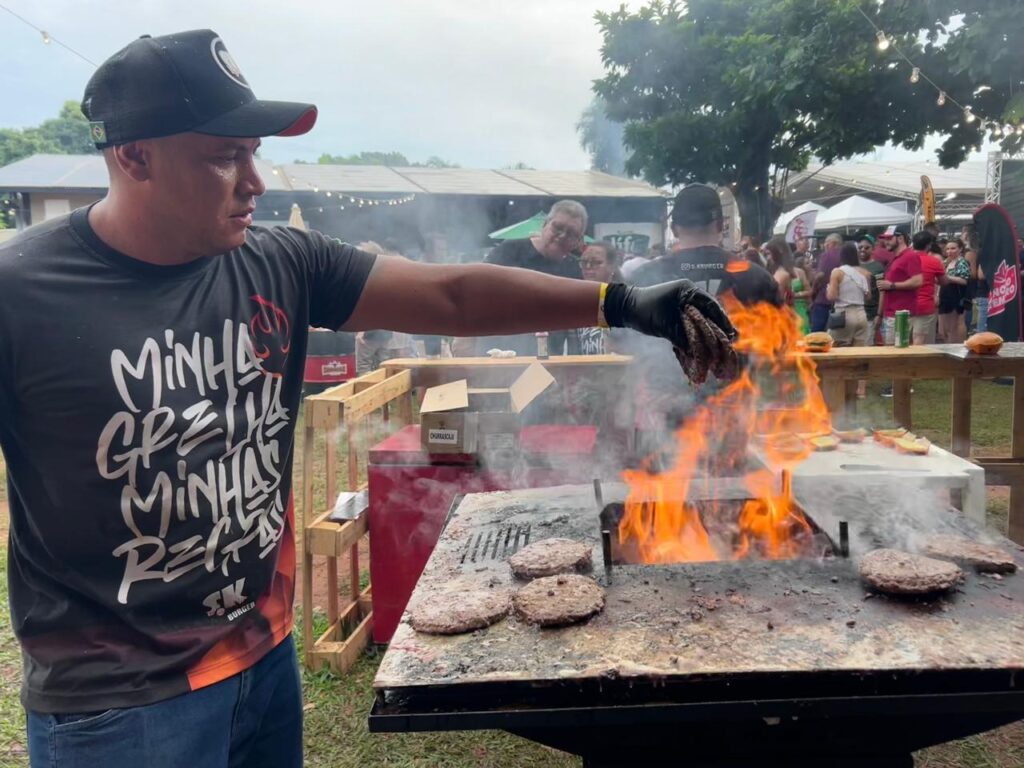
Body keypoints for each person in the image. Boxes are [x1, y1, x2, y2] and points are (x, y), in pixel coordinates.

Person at [0, 30, 736, 768]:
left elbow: (450, 295)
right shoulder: (23, 294)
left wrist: (621, 300)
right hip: (117, 704)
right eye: (224, 155)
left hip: (261, 655)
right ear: (135, 156)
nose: (254, 181)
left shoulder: (279, 259)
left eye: (253, 152)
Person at [482, 199, 587, 356]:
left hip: (548, 357)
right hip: (498, 353)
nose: (562, 235)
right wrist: (464, 339)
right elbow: (477, 292)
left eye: (571, 233)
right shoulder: (509, 251)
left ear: (577, 242)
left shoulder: (573, 270)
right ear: (545, 224)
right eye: (558, 227)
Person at [353, 241, 418, 373]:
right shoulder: (390, 272)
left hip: (371, 331)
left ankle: (367, 390)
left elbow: (367, 304)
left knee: (364, 365)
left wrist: (361, 331)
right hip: (386, 330)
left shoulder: (370, 276)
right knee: (385, 365)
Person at [826, 243, 871, 393]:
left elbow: (832, 296)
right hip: (861, 314)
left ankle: (839, 387)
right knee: (860, 353)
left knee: (837, 351)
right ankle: (861, 390)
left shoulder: (837, 272)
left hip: (844, 314)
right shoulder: (864, 273)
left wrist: (828, 290)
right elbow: (868, 296)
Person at [576, 242, 623, 354]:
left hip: (618, 368)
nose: (588, 267)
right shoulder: (578, 300)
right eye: (584, 262)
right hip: (587, 368)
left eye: (595, 262)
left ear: (612, 266)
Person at [764, 236, 810, 333]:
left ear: (778, 252)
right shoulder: (778, 272)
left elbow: (778, 301)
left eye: (769, 254)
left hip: (789, 316)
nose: (767, 258)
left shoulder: (784, 274)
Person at [912, 230, 944, 345]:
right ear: (929, 245)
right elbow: (944, 281)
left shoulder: (903, 259)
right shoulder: (934, 261)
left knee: (902, 338)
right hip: (925, 305)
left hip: (904, 305)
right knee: (920, 339)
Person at [809, 233, 843, 333]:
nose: (824, 246)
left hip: (823, 299)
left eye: (826, 243)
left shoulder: (826, 255)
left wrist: (813, 290)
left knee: (817, 332)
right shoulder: (845, 256)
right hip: (840, 301)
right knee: (837, 333)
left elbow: (820, 275)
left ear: (831, 243)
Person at [938, 238, 970, 343]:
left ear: (960, 249)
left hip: (956, 296)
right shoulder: (947, 262)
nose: (949, 251)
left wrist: (948, 278)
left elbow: (964, 280)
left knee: (954, 326)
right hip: (945, 296)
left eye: (953, 248)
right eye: (947, 249)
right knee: (945, 329)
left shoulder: (961, 262)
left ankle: (957, 346)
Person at [857, 236, 886, 345]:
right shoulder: (853, 265)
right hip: (855, 313)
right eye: (860, 247)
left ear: (872, 249)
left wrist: (879, 314)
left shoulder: (878, 267)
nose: (862, 250)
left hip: (870, 314)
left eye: (866, 247)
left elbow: (882, 291)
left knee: (867, 345)